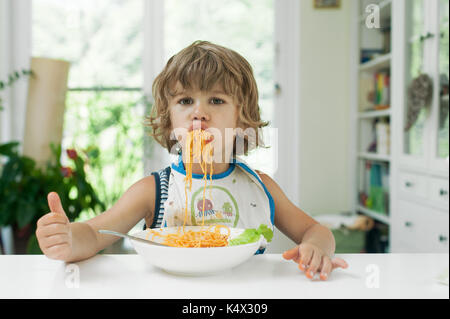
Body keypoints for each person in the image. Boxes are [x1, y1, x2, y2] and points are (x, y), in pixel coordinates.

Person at [36, 41, 348, 281]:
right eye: (185, 101)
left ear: (242, 120)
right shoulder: (153, 191)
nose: (199, 112)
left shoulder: (260, 187)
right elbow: (94, 234)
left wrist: (317, 249)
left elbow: (317, 231)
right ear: (170, 121)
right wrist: (66, 240)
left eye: (216, 100)